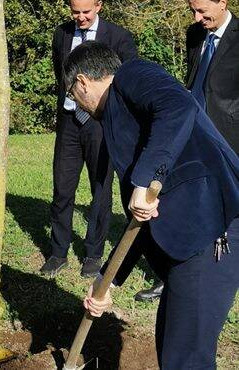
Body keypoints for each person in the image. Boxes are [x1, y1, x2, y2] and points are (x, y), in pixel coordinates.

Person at [66, 41, 238, 369]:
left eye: (74, 97)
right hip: (187, 241)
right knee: (172, 346)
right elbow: (140, 220)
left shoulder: (131, 74)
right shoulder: (121, 121)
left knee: (185, 359)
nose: (80, 106)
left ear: (83, 82)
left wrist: (144, 179)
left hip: (213, 230)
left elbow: (179, 106)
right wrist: (107, 281)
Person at [135, 0, 238, 302]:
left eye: (203, 11)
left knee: (227, 214)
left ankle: (217, 276)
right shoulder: (195, 35)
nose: (197, 17)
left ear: (223, 2)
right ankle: (175, 278)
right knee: (187, 207)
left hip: (229, 142)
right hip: (192, 138)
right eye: (193, 9)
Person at [44, 0, 138, 278]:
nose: (81, 17)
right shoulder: (62, 34)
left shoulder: (118, 37)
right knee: (62, 187)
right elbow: (59, 72)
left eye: (86, 11)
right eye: (75, 12)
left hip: (100, 123)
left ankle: (93, 254)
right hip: (69, 122)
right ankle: (58, 253)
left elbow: (128, 78)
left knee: (100, 188)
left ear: (99, 5)